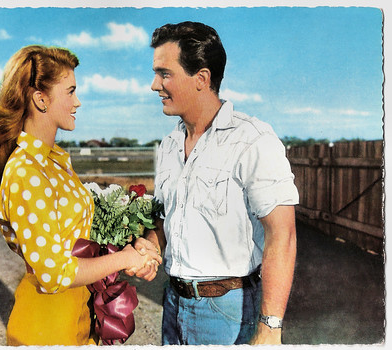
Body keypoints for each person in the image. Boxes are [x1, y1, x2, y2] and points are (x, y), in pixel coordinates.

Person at [0, 45, 161, 346]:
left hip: (77, 312)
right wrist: (124, 258)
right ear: (41, 99)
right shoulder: (26, 171)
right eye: (70, 91)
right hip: (47, 323)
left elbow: (80, 239)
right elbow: (54, 273)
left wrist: (132, 248)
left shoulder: (53, 162)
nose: (78, 101)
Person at [126, 21, 299, 345]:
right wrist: (150, 244)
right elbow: (166, 220)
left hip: (228, 313)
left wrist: (270, 327)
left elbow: (283, 234)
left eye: (164, 74)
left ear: (201, 79)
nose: (154, 85)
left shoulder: (252, 140)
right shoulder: (169, 145)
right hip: (173, 303)